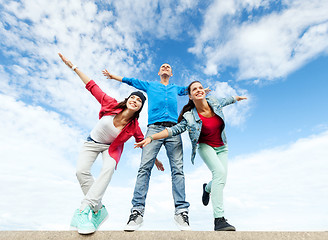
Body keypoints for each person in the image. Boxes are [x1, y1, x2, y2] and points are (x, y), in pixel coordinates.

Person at [58, 53, 164, 235]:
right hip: (92, 143)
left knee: (107, 170)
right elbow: (92, 86)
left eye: (139, 101)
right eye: (133, 98)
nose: (135, 101)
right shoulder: (110, 104)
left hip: (111, 149)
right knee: (80, 172)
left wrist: (155, 160)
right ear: (128, 99)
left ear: (140, 107)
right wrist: (73, 67)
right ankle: (99, 210)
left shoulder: (134, 126)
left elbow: (142, 142)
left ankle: (84, 210)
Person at [135, 81, 247, 231]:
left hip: (222, 147)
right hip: (205, 146)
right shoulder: (189, 116)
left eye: (201, 88)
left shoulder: (213, 101)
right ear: (190, 96)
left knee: (221, 179)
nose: (199, 90)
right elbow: (173, 130)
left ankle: (207, 189)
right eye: (195, 89)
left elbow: (226, 100)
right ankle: (219, 220)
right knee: (219, 174)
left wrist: (236, 98)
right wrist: (152, 137)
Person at [102, 64, 191, 231]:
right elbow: (131, 81)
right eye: (162, 66)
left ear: (171, 73)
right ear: (159, 72)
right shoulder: (150, 85)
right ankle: (137, 212)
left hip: (173, 130)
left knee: (178, 170)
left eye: (168, 67)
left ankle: (181, 212)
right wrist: (113, 76)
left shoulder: (175, 88)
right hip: (154, 128)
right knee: (144, 168)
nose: (165, 67)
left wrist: (200, 90)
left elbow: (190, 89)